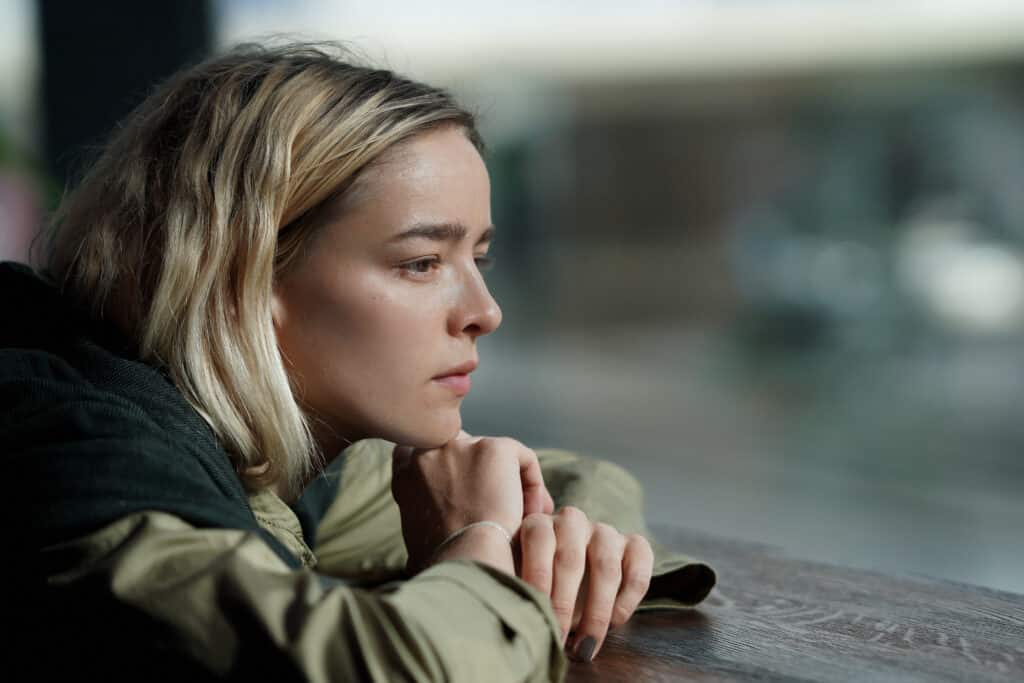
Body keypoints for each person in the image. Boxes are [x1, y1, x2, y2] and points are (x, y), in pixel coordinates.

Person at [1, 43, 714, 681]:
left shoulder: (263, 446)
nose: (485, 311)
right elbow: (396, 667)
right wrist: (477, 545)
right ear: (242, 279)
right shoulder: (79, 465)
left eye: (480, 257)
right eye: (421, 262)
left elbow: (576, 481)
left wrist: (549, 543)